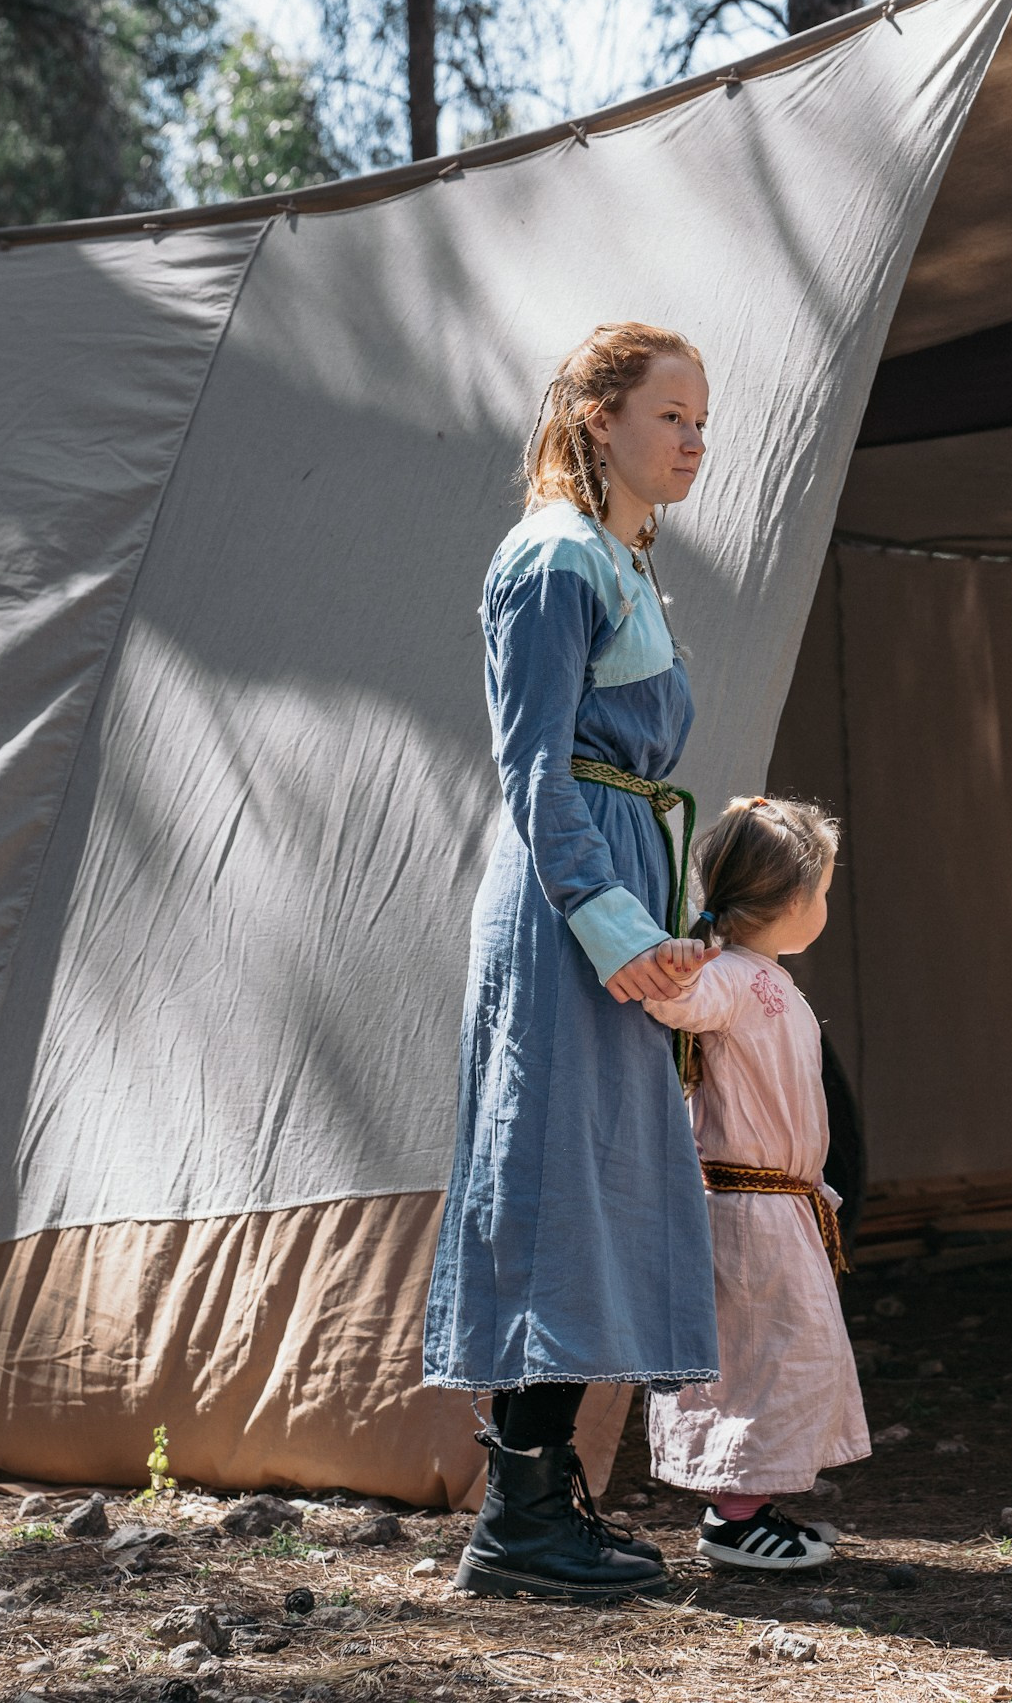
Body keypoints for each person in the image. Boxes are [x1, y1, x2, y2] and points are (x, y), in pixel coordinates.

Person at [423, 323, 726, 1600]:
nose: (695, 441)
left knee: (589, 1188)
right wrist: (612, 927)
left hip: (611, 893)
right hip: (568, 913)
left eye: (703, 421)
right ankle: (517, 1523)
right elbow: (533, 766)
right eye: (672, 416)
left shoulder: (618, 557)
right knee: (549, 1186)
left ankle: (542, 1504)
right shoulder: (551, 557)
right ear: (601, 418)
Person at [637, 797, 869, 1571]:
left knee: (785, 1354)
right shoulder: (731, 977)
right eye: (826, 890)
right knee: (754, 1357)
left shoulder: (764, 977)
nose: (826, 905)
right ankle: (731, 1516)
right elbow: (676, 999)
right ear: (797, 901)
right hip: (744, 1208)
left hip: (780, 1205)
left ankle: (751, 1499)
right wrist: (677, 960)